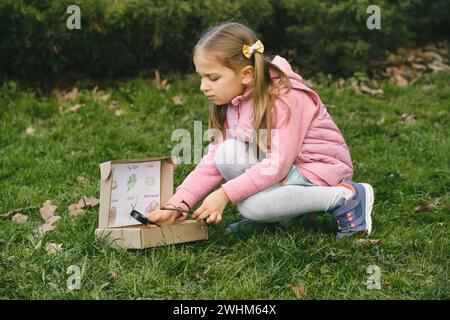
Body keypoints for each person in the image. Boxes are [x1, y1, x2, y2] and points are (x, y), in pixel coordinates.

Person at [147, 22, 374, 238]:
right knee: (226, 154)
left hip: (320, 170)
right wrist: (177, 204)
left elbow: (277, 165)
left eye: (212, 77)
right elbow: (213, 161)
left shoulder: (285, 99)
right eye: (201, 77)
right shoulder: (235, 102)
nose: (203, 86)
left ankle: (345, 197)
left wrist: (225, 193)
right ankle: (288, 216)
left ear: (246, 74)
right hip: (290, 169)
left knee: (251, 205)